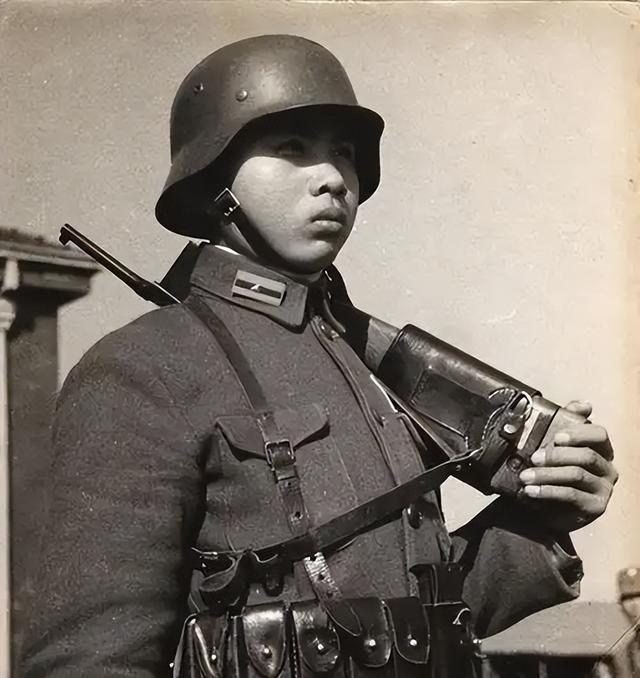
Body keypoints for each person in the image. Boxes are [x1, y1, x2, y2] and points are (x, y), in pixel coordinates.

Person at [20, 35, 617, 678]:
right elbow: (89, 661)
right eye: (292, 149)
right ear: (216, 180)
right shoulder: (141, 370)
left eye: (344, 154)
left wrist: (545, 518)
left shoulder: (367, 366)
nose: (332, 178)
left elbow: (415, 623)